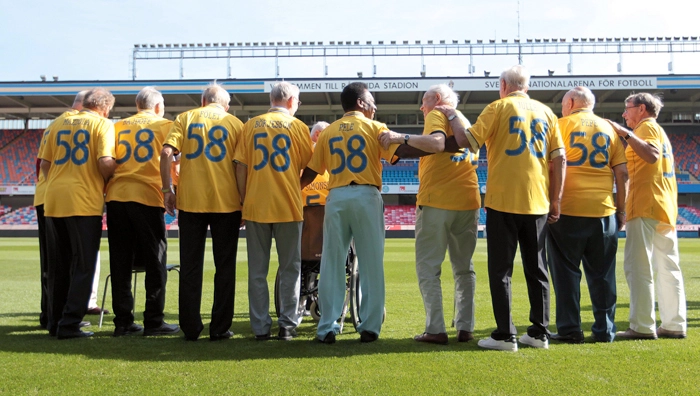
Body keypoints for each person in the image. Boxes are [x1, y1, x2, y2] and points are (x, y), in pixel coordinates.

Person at [441, 65, 565, 351]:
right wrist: (556, 199)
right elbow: (559, 160)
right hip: (537, 201)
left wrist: (451, 114)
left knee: (501, 270)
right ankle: (539, 333)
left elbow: (466, 141)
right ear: (526, 87)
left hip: (503, 200)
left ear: (503, 85)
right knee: (538, 269)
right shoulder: (547, 113)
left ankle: (505, 335)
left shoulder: (497, 106)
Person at [379, 84, 480, 345]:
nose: (421, 108)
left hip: (437, 200)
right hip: (468, 201)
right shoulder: (465, 123)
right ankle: (466, 326)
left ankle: (435, 329)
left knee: (428, 268)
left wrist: (398, 136)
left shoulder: (437, 113)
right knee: (464, 268)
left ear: (436, 99)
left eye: (423, 103)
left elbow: (436, 143)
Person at [301, 82, 399, 344]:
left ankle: (326, 328)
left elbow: (311, 171)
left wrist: (293, 188)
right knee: (371, 264)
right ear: (360, 103)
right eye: (371, 101)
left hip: (337, 197)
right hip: (366, 194)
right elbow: (397, 154)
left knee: (331, 262)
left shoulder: (329, 131)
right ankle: (370, 327)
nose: (374, 106)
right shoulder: (376, 127)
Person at [160, 83, 244, 341]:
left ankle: (190, 327)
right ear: (225, 105)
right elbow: (241, 165)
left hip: (191, 202)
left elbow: (166, 153)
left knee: (191, 266)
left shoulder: (185, 118)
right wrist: (243, 201)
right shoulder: (235, 124)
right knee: (225, 267)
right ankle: (219, 327)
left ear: (202, 100)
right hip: (226, 203)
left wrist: (167, 190)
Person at [547, 86, 628, 343]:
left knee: (565, 273)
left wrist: (552, 202)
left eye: (563, 103)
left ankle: (570, 330)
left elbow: (550, 165)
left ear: (571, 102)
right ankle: (605, 331)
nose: (562, 107)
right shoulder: (609, 129)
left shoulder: (559, 125)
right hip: (603, 211)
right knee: (603, 275)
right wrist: (622, 210)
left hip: (567, 210)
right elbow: (623, 174)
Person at [234, 82, 313, 341]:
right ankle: (288, 325)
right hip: (289, 205)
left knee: (257, 270)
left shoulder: (250, 125)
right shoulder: (298, 127)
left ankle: (259, 328)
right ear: (291, 100)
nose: (298, 105)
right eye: (298, 101)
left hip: (256, 205)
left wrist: (244, 201)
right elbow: (307, 166)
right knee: (290, 269)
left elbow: (241, 168)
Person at [608, 93, 687, 339]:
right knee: (668, 267)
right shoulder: (659, 130)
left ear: (641, 109)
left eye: (627, 109)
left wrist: (625, 133)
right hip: (664, 205)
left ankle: (642, 326)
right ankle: (674, 324)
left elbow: (651, 155)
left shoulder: (646, 128)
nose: (624, 114)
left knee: (638, 266)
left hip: (644, 204)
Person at [39, 88, 117, 339]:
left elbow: (45, 164)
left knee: (58, 265)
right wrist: (112, 176)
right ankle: (71, 323)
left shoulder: (58, 122)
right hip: (83, 199)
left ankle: (55, 321)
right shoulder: (102, 124)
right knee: (84, 264)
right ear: (104, 107)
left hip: (53, 198)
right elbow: (105, 161)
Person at [105, 87, 180, 337]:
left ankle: (123, 322)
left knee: (120, 261)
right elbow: (170, 158)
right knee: (155, 260)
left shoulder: (116, 126)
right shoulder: (166, 125)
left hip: (116, 195)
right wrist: (171, 189)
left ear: (138, 104)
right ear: (158, 107)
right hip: (147, 195)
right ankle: (154, 320)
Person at [34, 91, 86, 329]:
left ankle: (50, 315)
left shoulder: (53, 126)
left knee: (52, 262)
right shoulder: (77, 125)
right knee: (68, 261)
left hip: (45, 195)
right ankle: (60, 316)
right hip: (60, 197)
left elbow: (42, 163)